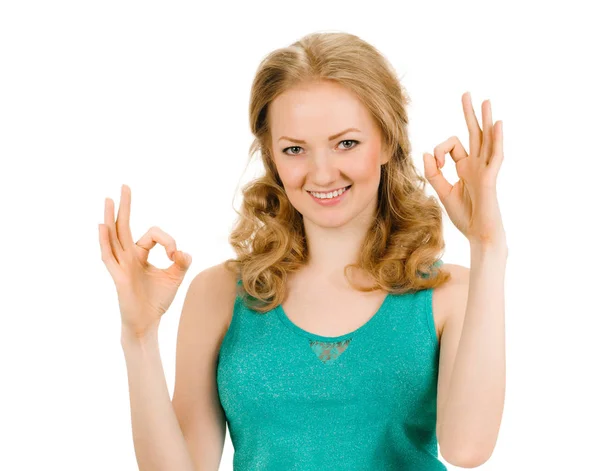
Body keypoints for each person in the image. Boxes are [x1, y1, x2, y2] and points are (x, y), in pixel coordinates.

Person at [99, 31, 507, 470]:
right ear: (273, 158)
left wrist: (488, 247)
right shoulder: (217, 294)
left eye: (346, 143)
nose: (322, 173)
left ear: (387, 142)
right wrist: (139, 336)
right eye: (295, 149)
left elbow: (468, 450)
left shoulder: (450, 293)